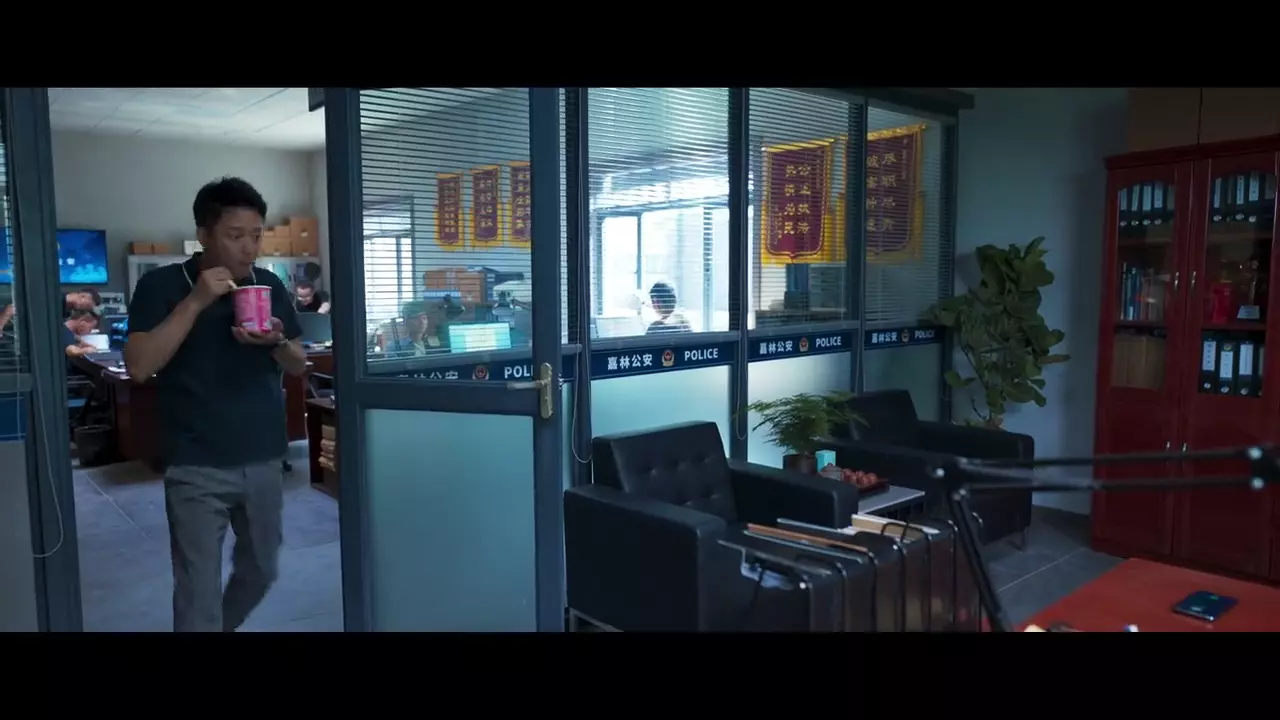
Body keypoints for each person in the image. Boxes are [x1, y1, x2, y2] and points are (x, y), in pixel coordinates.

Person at [124, 176, 306, 633]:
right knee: (197, 589)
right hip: (195, 463)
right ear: (204, 235)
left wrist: (276, 341)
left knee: (262, 569)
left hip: (263, 456)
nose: (249, 248)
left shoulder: (268, 283)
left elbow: (299, 363)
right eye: (235, 235)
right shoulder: (162, 285)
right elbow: (140, 367)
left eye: (256, 235)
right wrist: (197, 300)